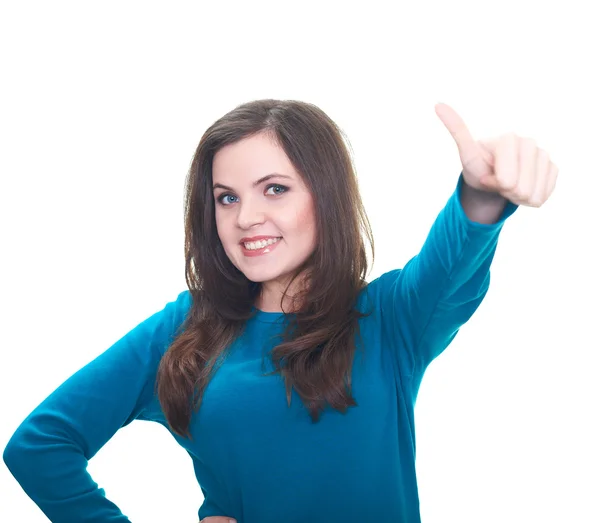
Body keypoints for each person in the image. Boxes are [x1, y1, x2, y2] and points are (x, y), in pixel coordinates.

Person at [3, 99, 558, 523]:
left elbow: (451, 260)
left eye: (274, 189)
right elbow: (39, 445)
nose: (246, 217)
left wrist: (481, 196)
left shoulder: (390, 315)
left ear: (326, 195)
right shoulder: (185, 326)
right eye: (227, 197)